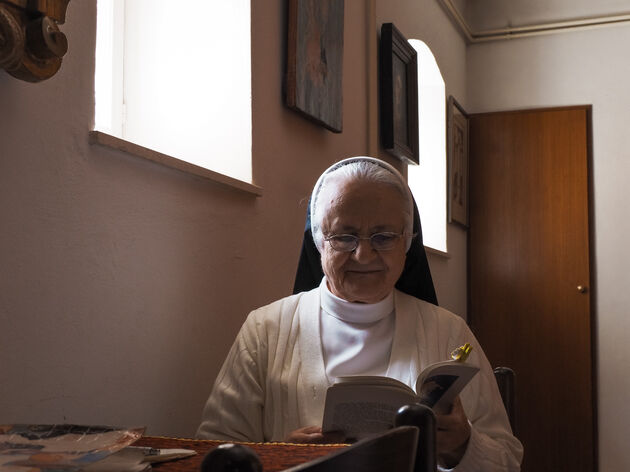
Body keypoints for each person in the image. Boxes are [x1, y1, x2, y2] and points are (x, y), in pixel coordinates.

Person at [196, 157, 523, 471]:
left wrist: (462, 446)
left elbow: (507, 461)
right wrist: (284, 458)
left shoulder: (450, 331)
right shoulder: (264, 330)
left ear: (406, 244)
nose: (364, 255)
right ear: (319, 241)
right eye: (344, 236)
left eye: (383, 237)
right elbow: (212, 454)